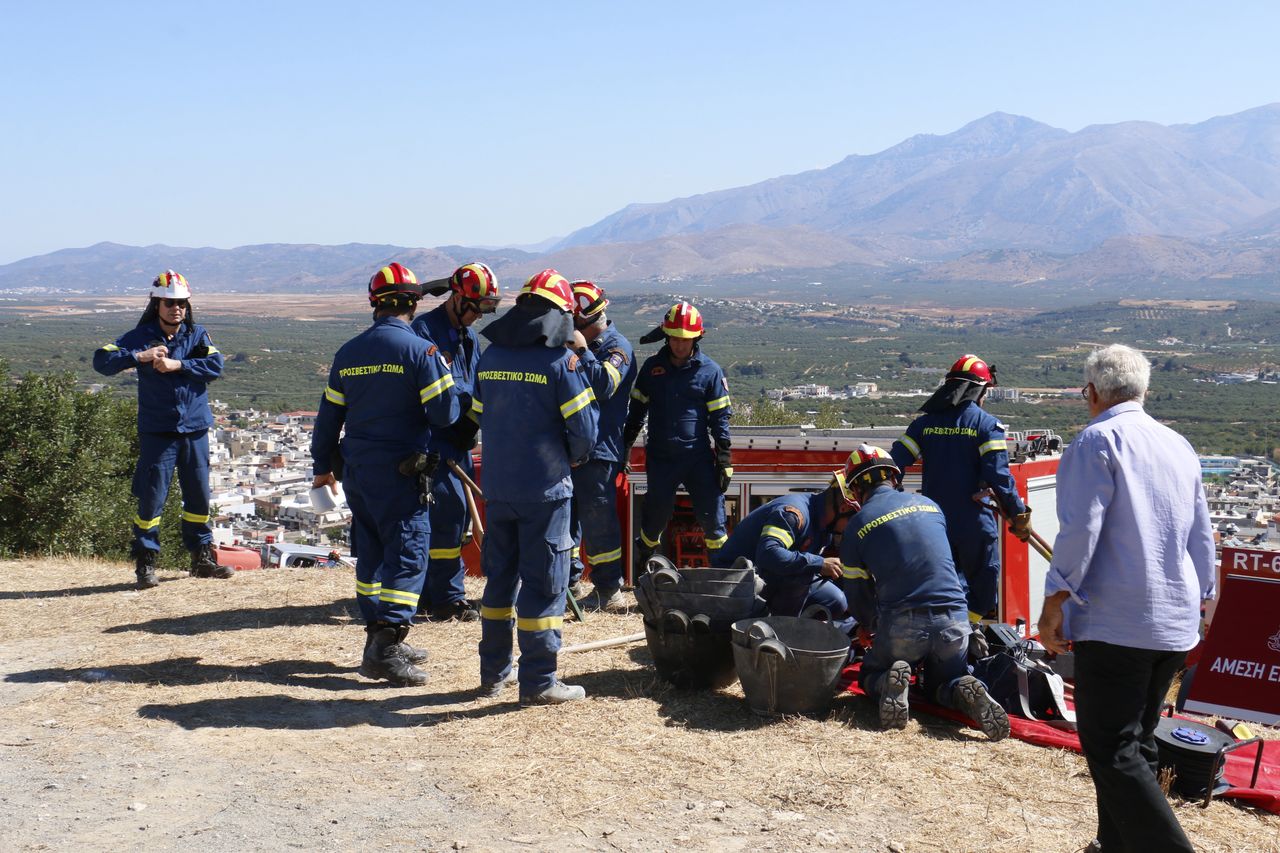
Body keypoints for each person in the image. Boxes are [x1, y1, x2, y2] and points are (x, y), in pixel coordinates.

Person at [1037, 344, 1214, 853]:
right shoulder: (1178, 444)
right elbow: (1202, 537)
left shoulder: (1095, 441)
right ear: (1144, 390)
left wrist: (1055, 603)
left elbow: (1079, 532)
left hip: (1118, 624)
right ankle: (1112, 845)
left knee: (1112, 748)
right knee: (1136, 743)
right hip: (1173, 624)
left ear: (1090, 392)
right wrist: (1201, 603)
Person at [311, 262, 461, 687]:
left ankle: (376, 637)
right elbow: (445, 414)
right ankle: (386, 647)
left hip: (357, 471)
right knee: (408, 554)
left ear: (375, 304)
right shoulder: (420, 352)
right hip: (401, 472)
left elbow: (328, 419)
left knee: (372, 556)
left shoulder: (349, 352)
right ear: (412, 304)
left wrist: (322, 467)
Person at [471, 269, 599, 704]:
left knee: (498, 585)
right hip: (545, 493)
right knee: (545, 587)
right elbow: (584, 432)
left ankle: (493, 675)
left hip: (499, 489)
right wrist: (573, 457)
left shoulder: (490, 357)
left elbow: (475, 415)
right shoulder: (560, 363)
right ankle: (540, 682)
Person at [840, 445, 1009, 740]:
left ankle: (888, 683)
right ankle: (961, 687)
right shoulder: (931, 506)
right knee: (941, 683)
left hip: (903, 626)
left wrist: (868, 626)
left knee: (869, 674)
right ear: (894, 478)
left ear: (854, 490)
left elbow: (857, 592)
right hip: (955, 621)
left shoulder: (858, 525)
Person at [93, 270, 234, 590]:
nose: (176, 309)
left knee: (199, 497)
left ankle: (201, 559)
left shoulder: (197, 335)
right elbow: (102, 360)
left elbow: (216, 366)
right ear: (156, 304)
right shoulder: (139, 337)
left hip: (195, 430)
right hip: (158, 431)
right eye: (169, 303)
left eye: (181, 303)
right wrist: (138, 356)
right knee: (151, 499)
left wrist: (179, 365)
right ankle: (146, 564)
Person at [889, 354, 1031, 655]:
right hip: (973, 523)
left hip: (932, 525)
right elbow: (1000, 477)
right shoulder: (986, 425)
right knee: (983, 583)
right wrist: (1018, 513)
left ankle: (940, 639)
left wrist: (894, 498)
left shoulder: (924, 425)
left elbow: (893, 464)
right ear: (978, 390)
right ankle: (964, 637)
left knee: (941, 584)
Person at [410, 262, 501, 622]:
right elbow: (440, 391)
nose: (479, 315)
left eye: (485, 309)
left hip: (459, 440)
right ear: (458, 298)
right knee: (444, 516)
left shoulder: (469, 338)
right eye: (477, 306)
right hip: (434, 441)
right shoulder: (424, 332)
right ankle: (444, 598)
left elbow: (477, 384)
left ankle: (439, 594)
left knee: (458, 518)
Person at [622, 302, 732, 570]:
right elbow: (636, 412)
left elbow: (720, 417)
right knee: (654, 520)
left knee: (713, 521)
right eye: (674, 338)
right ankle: (644, 570)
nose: (679, 345)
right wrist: (625, 448)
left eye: (685, 339)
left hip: (698, 459)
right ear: (666, 336)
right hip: (661, 459)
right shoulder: (652, 369)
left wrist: (725, 457)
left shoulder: (710, 371)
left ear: (696, 337)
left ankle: (723, 578)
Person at [711, 456, 861, 632]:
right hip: (736, 582)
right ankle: (780, 632)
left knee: (835, 600)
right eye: (854, 519)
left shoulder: (823, 526)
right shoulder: (793, 515)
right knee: (801, 576)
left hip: (768, 575)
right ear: (843, 507)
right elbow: (768, 554)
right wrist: (819, 563)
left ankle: (792, 626)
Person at [565, 280, 637, 611]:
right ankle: (569, 584)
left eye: (576, 324)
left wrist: (580, 350)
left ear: (592, 320)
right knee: (567, 521)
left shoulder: (617, 348)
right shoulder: (579, 344)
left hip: (599, 450)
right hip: (572, 447)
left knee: (599, 522)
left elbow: (605, 386)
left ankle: (609, 589)